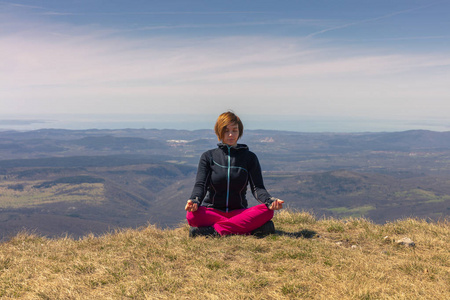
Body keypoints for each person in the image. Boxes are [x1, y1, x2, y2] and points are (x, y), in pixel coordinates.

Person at [185, 111, 284, 237]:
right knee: (192, 216)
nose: (231, 135)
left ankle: (214, 232)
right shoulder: (208, 157)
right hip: (213, 211)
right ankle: (248, 229)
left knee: (267, 211)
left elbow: (257, 188)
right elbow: (200, 185)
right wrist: (194, 200)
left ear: (240, 132)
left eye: (235, 130)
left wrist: (270, 201)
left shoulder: (249, 158)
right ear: (219, 132)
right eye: (226, 131)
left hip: (239, 212)